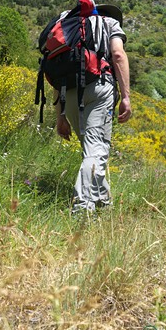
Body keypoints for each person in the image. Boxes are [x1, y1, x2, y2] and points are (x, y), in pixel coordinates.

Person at [54, 13, 131, 214]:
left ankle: (104, 206)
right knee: (96, 150)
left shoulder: (67, 28)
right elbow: (118, 54)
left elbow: (58, 75)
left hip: (69, 92)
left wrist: (60, 116)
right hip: (99, 87)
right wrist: (125, 97)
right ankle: (82, 209)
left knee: (91, 152)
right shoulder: (109, 23)